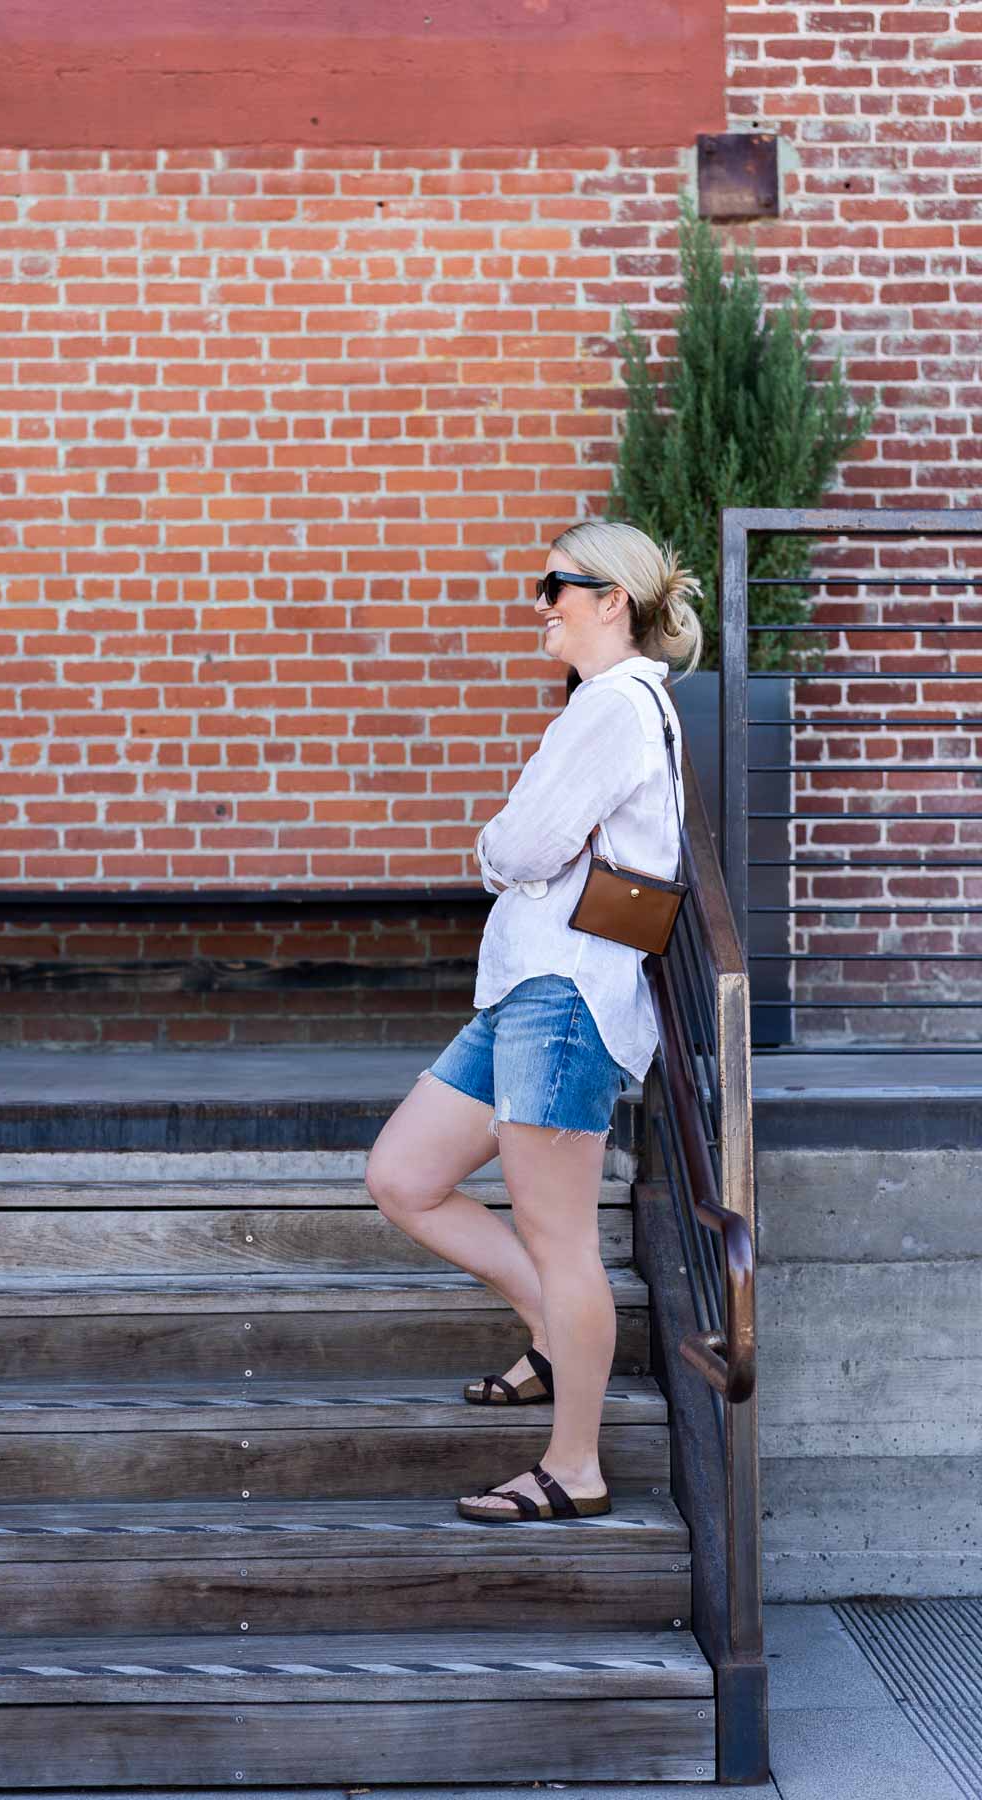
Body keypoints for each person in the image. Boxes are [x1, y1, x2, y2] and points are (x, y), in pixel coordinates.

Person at [364, 519, 704, 1524]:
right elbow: (533, 846)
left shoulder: (615, 709)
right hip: (525, 994)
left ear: (613, 600)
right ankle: (551, 1331)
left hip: (565, 1000)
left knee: (563, 1243)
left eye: (558, 585)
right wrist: (514, 847)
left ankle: (575, 1465)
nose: (541, 603)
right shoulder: (605, 706)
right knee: (405, 1175)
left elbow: (521, 845)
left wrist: (500, 845)